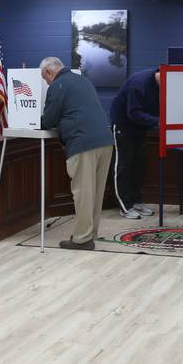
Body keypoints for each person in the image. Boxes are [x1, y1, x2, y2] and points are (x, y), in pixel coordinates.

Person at [40, 57, 114, 250]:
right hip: (105, 141)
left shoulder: (58, 85)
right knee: (95, 192)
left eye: (45, 79)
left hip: (83, 142)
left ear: (49, 72)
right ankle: (90, 233)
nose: (47, 83)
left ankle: (82, 239)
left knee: (83, 193)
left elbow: (48, 120)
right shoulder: (83, 80)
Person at [109, 67, 160, 219]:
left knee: (138, 165)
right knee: (124, 165)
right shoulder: (138, 83)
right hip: (123, 126)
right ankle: (125, 206)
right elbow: (133, 113)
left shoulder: (159, 85)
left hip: (140, 128)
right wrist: (158, 122)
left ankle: (136, 202)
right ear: (161, 75)